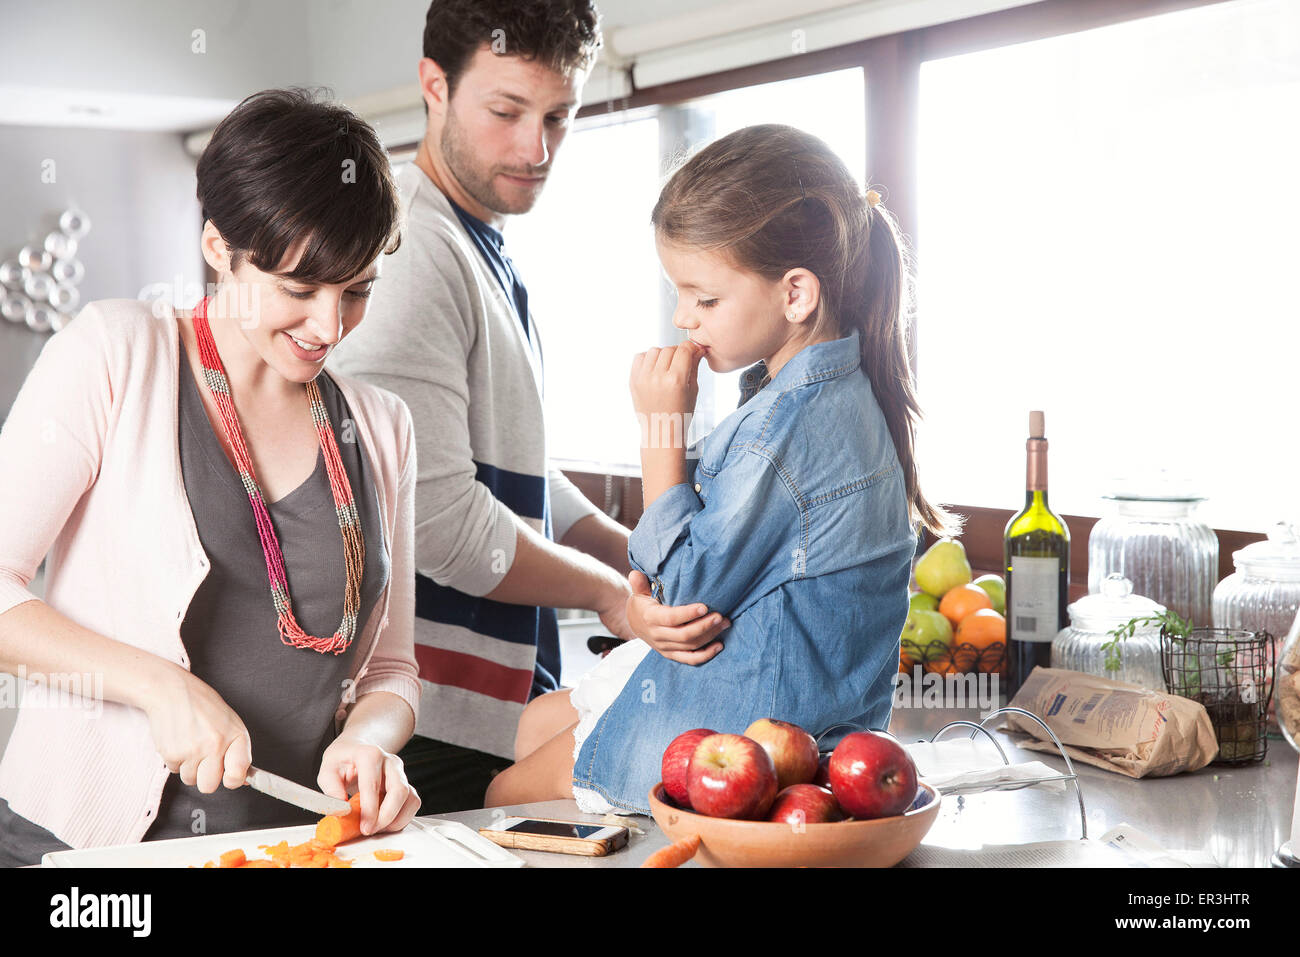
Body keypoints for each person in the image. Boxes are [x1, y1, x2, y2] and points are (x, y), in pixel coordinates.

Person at [0, 89, 421, 865]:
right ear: (220, 249)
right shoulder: (117, 353)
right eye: (298, 290)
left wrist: (368, 740)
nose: (329, 327)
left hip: (286, 846)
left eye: (357, 291)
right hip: (77, 846)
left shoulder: (383, 426)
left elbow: (392, 670)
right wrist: (158, 686)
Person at [485, 124, 958, 814]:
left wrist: (659, 427)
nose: (684, 318)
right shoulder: (808, 396)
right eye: (678, 293)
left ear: (795, 294)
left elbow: (688, 591)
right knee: (529, 725)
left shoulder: (785, 431)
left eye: (705, 298)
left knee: (505, 792)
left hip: (748, 725)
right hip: (758, 691)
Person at [327, 0, 724, 812]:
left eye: (558, 117)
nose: (535, 148)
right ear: (433, 86)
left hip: (482, 709)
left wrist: (633, 556)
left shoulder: (476, 240)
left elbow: (516, 471)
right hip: (424, 721)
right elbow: (437, 517)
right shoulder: (411, 252)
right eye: (506, 111)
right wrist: (613, 594)